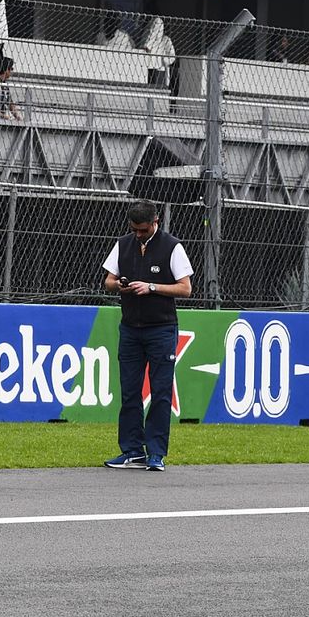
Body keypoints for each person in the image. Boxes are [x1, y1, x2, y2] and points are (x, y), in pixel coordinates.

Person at [102, 200, 193, 472]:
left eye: (143, 230)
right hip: (130, 328)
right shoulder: (123, 244)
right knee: (130, 392)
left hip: (161, 329)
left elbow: (185, 288)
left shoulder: (172, 247)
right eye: (134, 229)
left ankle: (156, 453)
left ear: (155, 223)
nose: (138, 234)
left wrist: (151, 287)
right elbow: (108, 281)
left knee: (160, 392)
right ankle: (132, 451)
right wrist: (119, 285)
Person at [140, 15, 175, 87]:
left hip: (159, 69)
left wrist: (164, 60)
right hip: (147, 67)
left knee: (157, 88)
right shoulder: (147, 36)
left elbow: (172, 56)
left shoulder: (166, 40)